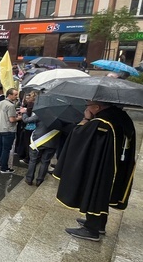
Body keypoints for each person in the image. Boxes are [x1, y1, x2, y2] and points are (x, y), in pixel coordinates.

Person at [54, 101, 136, 241]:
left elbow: (77, 136)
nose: (86, 107)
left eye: (88, 105)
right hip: (114, 164)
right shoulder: (120, 116)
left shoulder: (101, 123)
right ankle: (98, 223)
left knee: (95, 191)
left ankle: (92, 229)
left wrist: (86, 119)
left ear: (97, 107)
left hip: (101, 166)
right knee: (102, 192)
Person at [21, 109, 58, 187]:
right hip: (52, 142)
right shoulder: (62, 117)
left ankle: (29, 179)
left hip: (37, 141)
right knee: (45, 162)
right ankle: (39, 181)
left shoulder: (42, 114)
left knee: (33, 160)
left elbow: (26, 120)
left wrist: (24, 113)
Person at [0, 88, 19, 174]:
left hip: (0, 128)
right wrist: (19, 118)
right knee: (6, 149)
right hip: (8, 130)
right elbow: (12, 120)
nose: (16, 96)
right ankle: (4, 168)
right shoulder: (10, 106)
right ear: (9, 95)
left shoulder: (1, 102)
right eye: (15, 95)